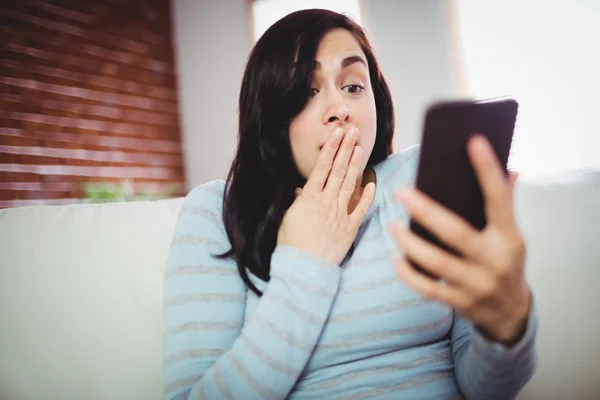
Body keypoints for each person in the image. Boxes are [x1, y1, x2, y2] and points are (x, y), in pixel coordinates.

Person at [162, 9, 537, 400]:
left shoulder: (418, 181)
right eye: (307, 91)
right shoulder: (215, 213)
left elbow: (483, 387)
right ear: (270, 114)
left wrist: (505, 326)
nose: (340, 108)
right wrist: (307, 263)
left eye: (354, 86)